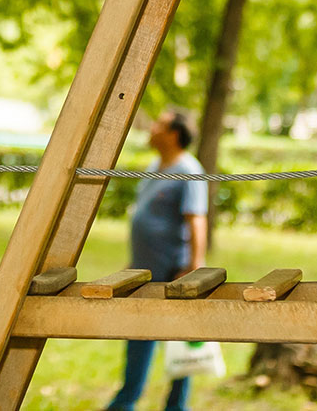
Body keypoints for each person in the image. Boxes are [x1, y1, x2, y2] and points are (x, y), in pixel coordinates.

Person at [105, 109, 208, 411]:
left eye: (159, 125)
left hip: (173, 272)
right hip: (144, 270)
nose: (152, 128)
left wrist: (193, 268)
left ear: (174, 134)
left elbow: (197, 219)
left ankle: (176, 406)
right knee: (138, 336)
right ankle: (126, 400)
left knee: (177, 344)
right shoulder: (155, 166)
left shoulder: (189, 169)